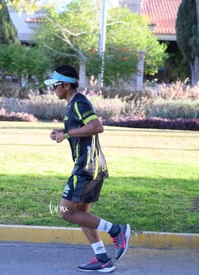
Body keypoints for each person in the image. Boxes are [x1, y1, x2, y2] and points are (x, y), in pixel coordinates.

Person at [44, 65, 131, 273]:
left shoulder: (79, 102)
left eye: (55, 86)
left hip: (86, 166)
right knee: (81, 213)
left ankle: (117, 230)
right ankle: (102, 258)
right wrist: (63, 132)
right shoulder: (72, 104)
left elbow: (96, 126)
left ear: (66, 85)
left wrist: (67, 134)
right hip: (92, 165)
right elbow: (81, 129)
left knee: (66, 212)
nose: (53, 89)